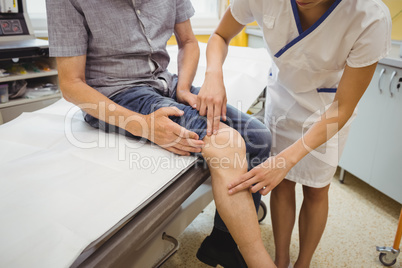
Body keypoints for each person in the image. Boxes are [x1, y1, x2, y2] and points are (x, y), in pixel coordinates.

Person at [46, 0, 273, 267]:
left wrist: (184, 88)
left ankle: (222, 244)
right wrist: (143, 125)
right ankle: (259, 261)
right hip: (118, 93)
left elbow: (188, 41)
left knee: (258, 137)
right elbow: (71, 84)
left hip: (165, 82)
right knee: (225, 142)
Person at [203, 0, 391, 267]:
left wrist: (286, 160)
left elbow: (343, 107)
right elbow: (220, 35)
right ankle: (281, 259)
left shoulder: (370, 17)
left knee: (316, 189)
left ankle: (303, 263)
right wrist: (213, 75)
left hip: (328, 111)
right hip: (283, 101)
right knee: (282, 184)